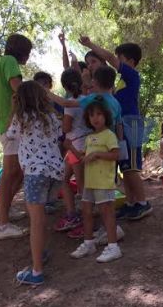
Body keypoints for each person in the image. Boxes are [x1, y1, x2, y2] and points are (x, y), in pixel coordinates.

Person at [79, 37, 152, 221]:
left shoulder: (132, 75)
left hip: (131, 124)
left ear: (131, 62)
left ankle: (143, 203)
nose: (117, 61)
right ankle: (131, 203)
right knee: (125, 167)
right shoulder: (119, 83)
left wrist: (90, 45)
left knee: (132, 167)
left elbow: (110, 58)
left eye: (121, 58)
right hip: (122, 125)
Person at [7, 81, 64, 286]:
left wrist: (13, 109)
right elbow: (59, 136)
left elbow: (9, 135)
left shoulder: (21, 118)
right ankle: (40, 251)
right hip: (56, 173)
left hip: (34, 173)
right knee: (39, 216)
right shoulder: (51, 117)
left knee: (36, 220)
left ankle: (36, 271)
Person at [0, 33, 32, 240]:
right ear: (21, 51)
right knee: (10, 173)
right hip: (10, 125)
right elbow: (19, 90)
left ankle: (6, 210)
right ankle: (3, 224)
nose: (28, 57)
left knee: (19, 172)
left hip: (5, 123)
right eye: (28, 52)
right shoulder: (10, 62)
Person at [70, 97, 123, 263]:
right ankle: (88, 243)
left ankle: (113, 247)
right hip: (90, 182)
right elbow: (83, 158)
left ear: (106, 116)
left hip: (103, 182)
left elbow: (116, 155)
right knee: (86, 212)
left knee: (106, 212)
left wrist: (97, 154)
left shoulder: (109, 135)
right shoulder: (89, 138)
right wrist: (70, 147)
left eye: (99, 114)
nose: (95, 118)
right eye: (92, 115)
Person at [55, 68, 91, 236]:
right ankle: (73, 214)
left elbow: (66, 128)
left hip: (75, 145)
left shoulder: (70, 103)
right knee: (65, 178)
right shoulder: (87, 100)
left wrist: (62, 120)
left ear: (65, 86)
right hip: (82, 144)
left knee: (81, 186)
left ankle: (85, 222)